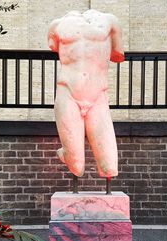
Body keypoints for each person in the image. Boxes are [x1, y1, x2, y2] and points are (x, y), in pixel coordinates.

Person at [48, 9, 124, 184]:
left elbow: (53, 47)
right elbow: (118, 54)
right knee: (76, 166)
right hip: (68, 92)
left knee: (110, 166)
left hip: (96, 94)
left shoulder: (57, 25)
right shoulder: (110, 20)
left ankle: (65, 151)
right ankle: (67, 152)